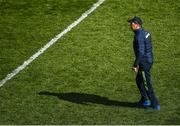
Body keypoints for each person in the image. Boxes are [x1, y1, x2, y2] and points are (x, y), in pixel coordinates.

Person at [127, 16, 160, 110]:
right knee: (139, 80)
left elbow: (141, 52)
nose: (130, 25)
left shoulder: (139, 36)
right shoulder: (145, 32)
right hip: (148, 59)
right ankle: (145, 99)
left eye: (131, 23)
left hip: (144, 62)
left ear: (137, 25)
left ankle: (155, 104)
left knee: (146, 84)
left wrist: (135, 64)